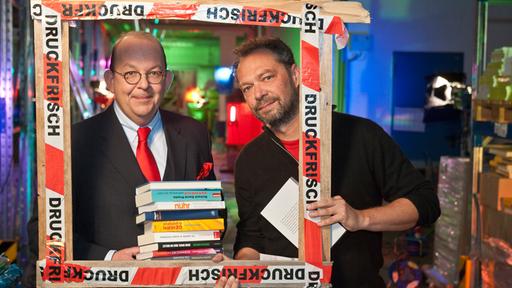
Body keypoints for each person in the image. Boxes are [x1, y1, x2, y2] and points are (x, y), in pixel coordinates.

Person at [231, 37, 441, 287]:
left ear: (296, 74)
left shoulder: (360, 135)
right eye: (247, 87)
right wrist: (239, 269)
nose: (258, 94)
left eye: (267, 77)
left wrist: (360, 218)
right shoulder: (249, 160)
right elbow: (250, 237)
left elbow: (426, 202)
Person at [24, 32, 217, 284]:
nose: (143, 85)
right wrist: (108, 259)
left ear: (167, 80)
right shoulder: (74, 143)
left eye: (154, 73)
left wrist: (206, 250)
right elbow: (42, 229)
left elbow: (212, 208)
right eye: (130, 74)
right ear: (110, 81)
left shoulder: (194, 134)